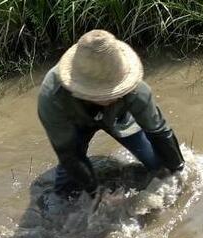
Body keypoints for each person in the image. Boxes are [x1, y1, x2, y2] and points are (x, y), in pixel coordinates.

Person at [37, 29, 184, 197]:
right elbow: (69, 155)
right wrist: (96, 194)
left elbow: (159, 132)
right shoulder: (51, 97)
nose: (110, 97)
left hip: (119, 118)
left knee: (160, 167)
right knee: (66, 190)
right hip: (74, 124)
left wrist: (179, 171)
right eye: (102, 93)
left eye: (114, 91)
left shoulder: (135, 89)